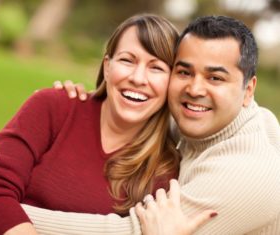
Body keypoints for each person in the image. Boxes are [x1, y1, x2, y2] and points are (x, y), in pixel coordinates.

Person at [22, 15, 280, 234]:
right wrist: (78, 103)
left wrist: (4, 213)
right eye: (184, 72)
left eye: (215, 77)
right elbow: (136, 98)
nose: (194, 88)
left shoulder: (249, 173)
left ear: (249, 90)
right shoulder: (194, 118)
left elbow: (132, 231)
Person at [0, 14, 215, 235]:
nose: (138, 78)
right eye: (127, 60)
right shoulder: (54, 106)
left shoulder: (164, 170)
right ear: (107, 66)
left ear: (172, 82)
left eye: (156, 68)